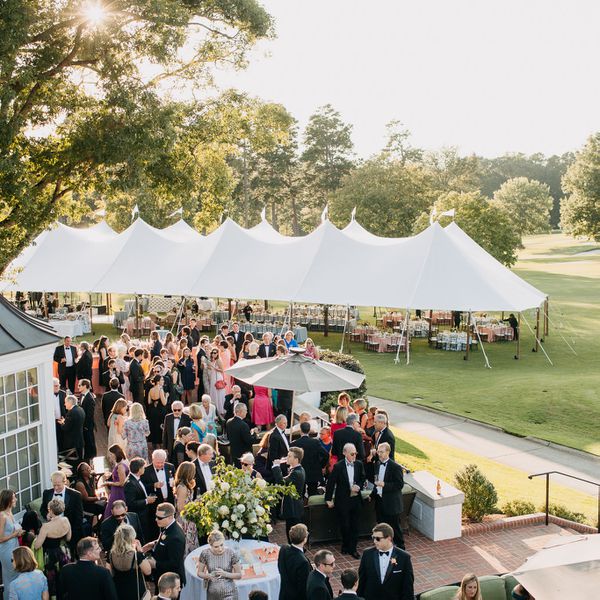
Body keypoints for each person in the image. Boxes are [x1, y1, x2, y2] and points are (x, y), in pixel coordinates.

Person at [325, 443, 365, 559]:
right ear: (345, 453)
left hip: (356, 499)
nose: (354, 456)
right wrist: (328, 499)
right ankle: (345, 545)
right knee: (345, 525)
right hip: (343, 500)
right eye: (352, 454)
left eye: (355, 453)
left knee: (355, 525)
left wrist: (358, 486)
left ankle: (353, 549)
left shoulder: (359, 464)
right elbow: (331, 483)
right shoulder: (338, 466)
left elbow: (362, 478)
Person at [357, 523, 414, 600]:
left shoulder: (404, 557)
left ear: (389, 538)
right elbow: (362, 581)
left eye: (378, 539)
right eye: (373, 538)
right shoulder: (367, 554)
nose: (374, 541)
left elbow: (408, 587)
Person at [33, 498, 71, 599]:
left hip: (50, 556)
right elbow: (68, 538)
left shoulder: (46, 527)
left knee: (51, 580)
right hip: (63, 553)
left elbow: (37, 545)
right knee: (63, 577)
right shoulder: (66, 520)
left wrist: (35, 539)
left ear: (50, 510)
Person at [369, 442, 405, 549]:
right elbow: (377, 483)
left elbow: (399, 485)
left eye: (382, 452)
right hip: (380, 502)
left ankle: (400, 547)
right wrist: (372, 494)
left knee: (395, 527)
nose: (379, 454)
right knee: (381, 527)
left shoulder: (396, 467)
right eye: (378, 451)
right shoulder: (378, 464)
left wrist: (385, 485)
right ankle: (383, 545)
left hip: (392, 503)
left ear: (388, 452)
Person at [143, 503, 186, 586]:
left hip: (170, 582)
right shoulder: (168, 526)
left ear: (170, 517)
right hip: (163, 576)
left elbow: (174, 563)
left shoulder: (176, 537)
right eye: (156, 516)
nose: (156, 519)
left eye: (159, 518)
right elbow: (166, 540)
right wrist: (153, 544)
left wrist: (155, 564)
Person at [40, 472, 83, 553]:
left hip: (68, 528)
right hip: (51, 528)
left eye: (58, 485)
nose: (56, 488)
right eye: (54, 485)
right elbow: (42, 509)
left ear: (65, 482)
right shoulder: (47, 493)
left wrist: (71, 533)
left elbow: (79, 517)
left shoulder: (75, 495)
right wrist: (46, 514)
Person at [195, 530, 241, 600]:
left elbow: (239, 575)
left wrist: (225, 574)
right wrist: (208, 576)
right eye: (216, 547)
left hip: (230, 593)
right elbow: (199, 573)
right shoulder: (205, 554)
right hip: (212, 594)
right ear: (210, 545)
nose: (220, 549)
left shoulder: (231, 553)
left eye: (221, 545)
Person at [109, 523, 151, 600]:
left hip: (119, 590)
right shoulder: (136, 555)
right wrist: (141, 552)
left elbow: (111, 572)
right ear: (131, 538)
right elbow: (148, 571)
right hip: (135, 591)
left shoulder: (111, 553)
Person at [272, 448, 306, 541]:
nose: (287, 458)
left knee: (293, 536)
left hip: (293, 509)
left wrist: (276, 467)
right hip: (293, 508)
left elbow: (281, 482)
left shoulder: (296, 472)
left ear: (296, 459)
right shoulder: (298, 469)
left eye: (289, 456)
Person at [141, 450, 175, 539]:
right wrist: (154, 485)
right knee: (155, 525)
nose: (160, 465)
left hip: (169, 500)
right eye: (158, 463)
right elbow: (142, 486)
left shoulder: (170, 467)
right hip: (155, 503)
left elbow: (175, 480)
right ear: (152, 460)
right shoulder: (146, 471)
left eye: (162, 462)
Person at [292, 422, 328, 495]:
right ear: (309, 431)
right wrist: (321, 465)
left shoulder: (295, 443)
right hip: (313, 472)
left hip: (300, 471)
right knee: (313, 493)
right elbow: (326, 454)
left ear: (300, 430)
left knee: (299, 494)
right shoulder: (315, 442)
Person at [124, 458, 156, 542]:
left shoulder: (137, 478)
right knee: (142, 536)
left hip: (145, 513)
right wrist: (146, 501)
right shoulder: (130, 483)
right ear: (139, 469)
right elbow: (131, 503)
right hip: (139, 515)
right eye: (143, 467)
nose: (144, 469)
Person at [277, 523, 311, 600]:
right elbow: (303, 588)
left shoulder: (284, 548)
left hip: (284, 593)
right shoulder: (303, 562)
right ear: (305, 539)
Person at [0, 489, 24, 598]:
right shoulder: (2, 516)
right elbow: (0, 539)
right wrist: (14, 534)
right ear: (8, 500)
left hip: (15, 547)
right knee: (11, 576)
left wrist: (19, 533)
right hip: (6, 550)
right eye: (14, 497)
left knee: (17, 573)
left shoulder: (10, 512)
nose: (16, 499)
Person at [174, 461, 198, 556]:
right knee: (186, 544)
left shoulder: (186, 485)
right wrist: (194, 504)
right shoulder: (182, 487)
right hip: (184, 520)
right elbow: (180, 508)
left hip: (189, 519)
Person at [103, 444, 129, 518]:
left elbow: (121, 483)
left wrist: (108, 483)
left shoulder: (121, 466)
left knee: (110, 511)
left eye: (111, 454)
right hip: (116, 490)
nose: (110, 456)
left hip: (118, 492)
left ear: (116, 453)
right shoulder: (124, 461)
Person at [58, 395, 85, 461]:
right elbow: (74, 423)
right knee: (80, 459)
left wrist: (62, 423)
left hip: (72, 443)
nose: (64, 404)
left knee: (72, 462)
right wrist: (65, 421)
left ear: (70, 402)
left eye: (65, 402)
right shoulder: (81, 409)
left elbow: (65, 427)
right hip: (80, 440)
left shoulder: (71, 413)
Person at [147, 375, 168, 451]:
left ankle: (154, 444)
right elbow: (164, 403)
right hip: (160, 411)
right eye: (162, 380)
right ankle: (160, 444)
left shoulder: (151, 390)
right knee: (160, 427)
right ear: (158, 382)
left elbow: (149, 402)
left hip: (153, 411)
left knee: (154, 427)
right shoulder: (160, 390)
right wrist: (167, 396)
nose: (163, 381)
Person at [78, 379, 97, 462]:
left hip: (87, 426)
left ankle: (92, 458)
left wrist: (85, 426)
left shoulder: (90, 399)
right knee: (86, 442)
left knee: (90, 442)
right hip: (84, 425)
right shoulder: (81, 395)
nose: (78, 387)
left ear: (85, 386)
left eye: (79, 385)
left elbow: (90, 415)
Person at [207, 348, 227, 416]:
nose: (213, 354)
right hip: (213, 377)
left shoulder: (218, 360)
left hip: (218, 377)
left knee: (218, 392)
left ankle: (220, 408)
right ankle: (215, 407)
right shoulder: (213, 360)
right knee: (213, 392)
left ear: (218, 353)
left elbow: (222, 370)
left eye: (215, 353)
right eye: (212, 353)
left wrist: (215, 368)